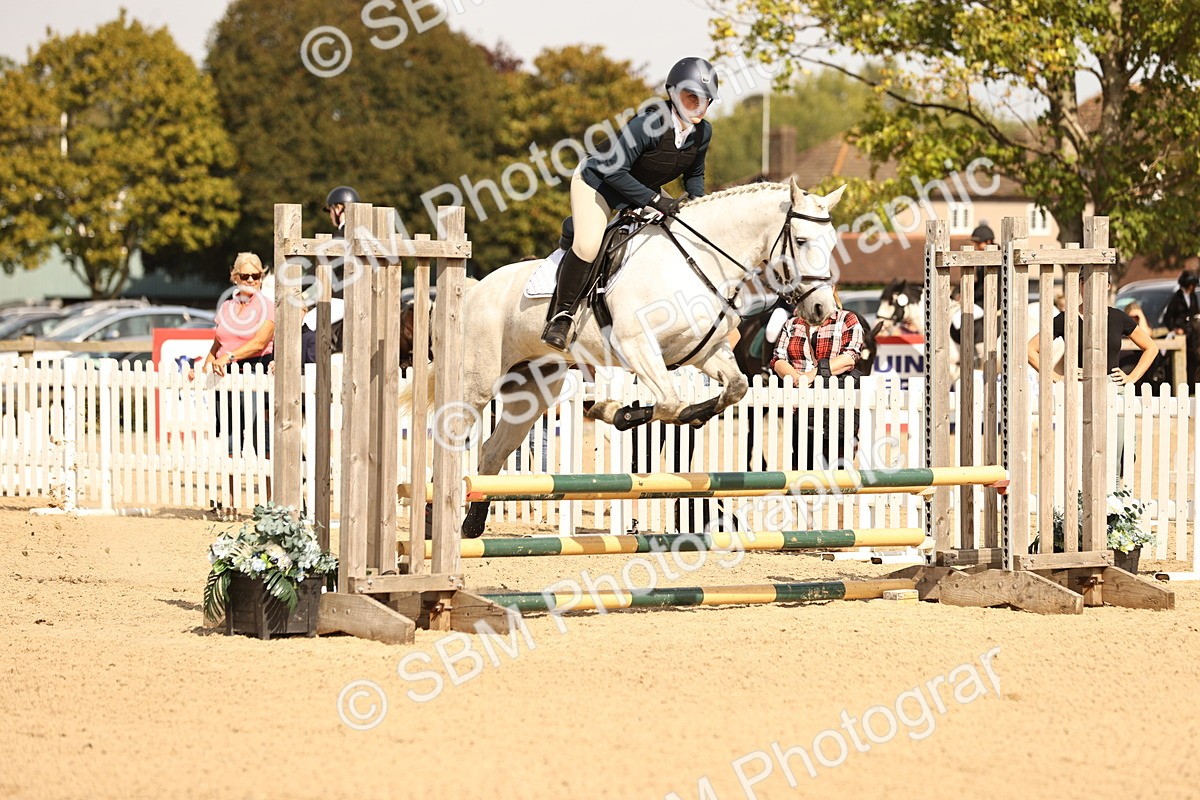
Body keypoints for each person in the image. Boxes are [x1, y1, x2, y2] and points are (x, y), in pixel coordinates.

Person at [541, 57, 718, 350]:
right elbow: (613, 171)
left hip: (641, 188)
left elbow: (694, 176)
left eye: (706, 100)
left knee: (677, 235)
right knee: (588, 245)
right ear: (674, 93)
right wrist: (656, 200)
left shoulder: (703, 132)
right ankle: (561, 316)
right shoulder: (648, 125)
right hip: (598, 182)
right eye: (692, 98)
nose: (700, 107)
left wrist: (701, 210)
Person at [193, 253, 276, 517]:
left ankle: (271, 505)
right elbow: (216, 344)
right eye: (245, 275)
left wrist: (228, 357)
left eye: (256, 275)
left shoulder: (268, 307)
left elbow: (259, 343)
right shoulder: (226, 308)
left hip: (256, 372)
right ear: (235, 277)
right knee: (230, 440)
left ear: (262, 277)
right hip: (226, 378)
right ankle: (229, 502)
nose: (250, 280)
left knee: (262, 440)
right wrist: (204, 368)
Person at [769, 304, 866, 469]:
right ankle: (761, 367)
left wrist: (811, 375)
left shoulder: (847, 319)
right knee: (802, 466)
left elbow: (849, 357)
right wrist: (797, 379)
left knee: (838, 470)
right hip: (800, 408)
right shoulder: (792, 323)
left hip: (837, 408)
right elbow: (778, 359)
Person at [302, 185, 358, 364]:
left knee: (308, 324)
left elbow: (320, 271)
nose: (330, 215)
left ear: (339, 208)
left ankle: (311, 371)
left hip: (344, 298)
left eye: (331, 210)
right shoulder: (366, 233)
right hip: (369, 297)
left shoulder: (341, 236)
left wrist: (301, 290)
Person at [1161, 269, 1200, 384]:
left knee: (1193, 360)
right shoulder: (1177, 298)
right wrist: (1174, 329)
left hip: (1192, 334)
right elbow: (1167, 317)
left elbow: (1195, 313)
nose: (1193, 287)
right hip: (1179, 332)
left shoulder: (1193, 297)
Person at [970, 222, 995, 306]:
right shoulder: (982, 258)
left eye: (978, 243)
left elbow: (984, 286)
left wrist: (971, 297)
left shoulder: (995, 258)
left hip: (992, 301)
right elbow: (979, 283)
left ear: (988, 241)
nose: (976, 246)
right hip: (981, 300)